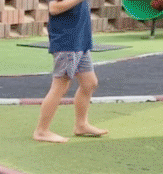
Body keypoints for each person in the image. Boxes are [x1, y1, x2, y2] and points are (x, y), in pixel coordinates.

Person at [33, 0, 109, 143]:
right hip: (67, 42)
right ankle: (41, 131)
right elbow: (54, 8)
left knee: (89, 83)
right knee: (60, 85)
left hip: (80, 41)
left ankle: (81, 125)